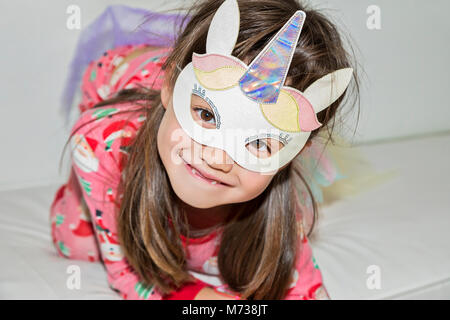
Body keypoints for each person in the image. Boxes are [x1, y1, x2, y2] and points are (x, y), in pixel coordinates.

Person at [50, 0, 359, 300]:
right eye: (206, 116)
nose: (215, 158)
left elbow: (304, 290)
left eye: (259, 143)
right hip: (119, 76)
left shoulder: (280, 203)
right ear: (170, 88)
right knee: (75, 243)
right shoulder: (100, 140)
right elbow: (127, 274)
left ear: (295, 154)